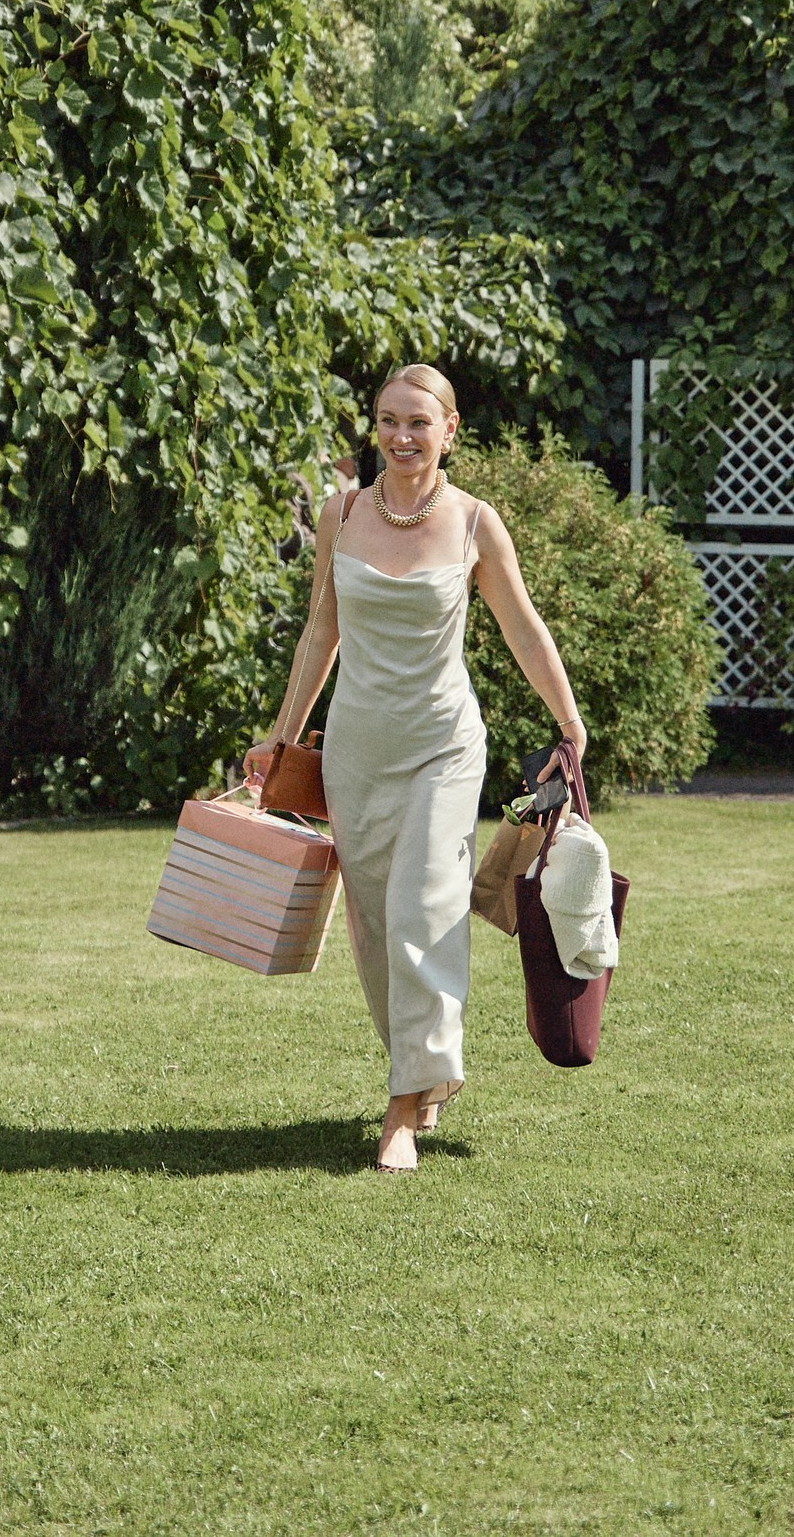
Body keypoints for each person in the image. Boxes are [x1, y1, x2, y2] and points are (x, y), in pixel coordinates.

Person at [246, 365, 587, 1173]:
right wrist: (280, 737)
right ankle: (422, 1073)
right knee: (375, 927)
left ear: (450, 431)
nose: (402, 436)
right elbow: (320, 631)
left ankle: (403, 1109)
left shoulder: (475, 523)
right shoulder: (342, 512)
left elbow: (525, 628)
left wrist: (571, 724)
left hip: (443, 746)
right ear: (376, 428)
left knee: (426, 907)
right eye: (389, 420)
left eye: (419, 423)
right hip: (358, 752)